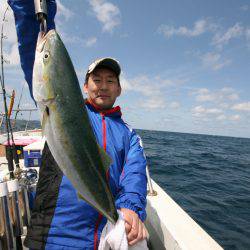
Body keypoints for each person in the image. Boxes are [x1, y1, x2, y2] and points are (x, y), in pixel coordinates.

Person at [24, 57, 148, 250]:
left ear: (119, 89)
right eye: (96, 80)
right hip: (54, 234)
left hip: (102, 238)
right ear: (84, 86)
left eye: (110, 81)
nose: (103, 86)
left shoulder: (129, 135)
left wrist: (130, 208)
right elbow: (44, 73)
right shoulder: (64, 110)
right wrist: (38, 29)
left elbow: (135, 175)